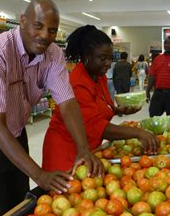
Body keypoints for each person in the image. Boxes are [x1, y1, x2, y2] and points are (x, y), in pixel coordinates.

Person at [0, 0, 103, 216]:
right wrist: (39, 174)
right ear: (23, 21)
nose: (45, 35)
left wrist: (83, 149)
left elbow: (67, 103)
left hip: (15, 134)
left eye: (52, 30)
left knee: (19, 210)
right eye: (38, 26)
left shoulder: (53, 54)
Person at [42, 25, 158, 172]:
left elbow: (97, 108)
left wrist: (116, 110)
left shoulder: (99, 76)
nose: (108, 64)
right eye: (102, 58)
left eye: (110, 58)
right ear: (87, 56)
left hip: (88, 149)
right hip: (66, 152)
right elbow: (96, 127)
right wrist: (138, 133)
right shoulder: (77, 84)